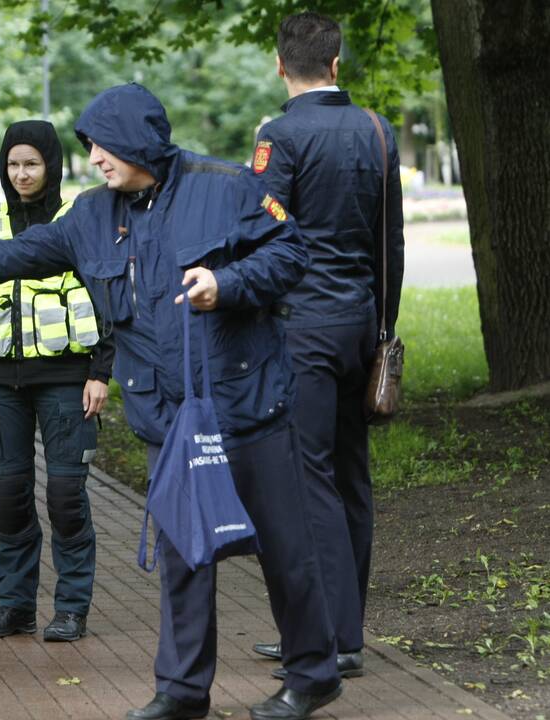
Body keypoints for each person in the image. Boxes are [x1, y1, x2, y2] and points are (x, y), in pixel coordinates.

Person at [0, 84, 342, 720]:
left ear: (140, 140)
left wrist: (226, 283)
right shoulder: (92, 214)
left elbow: (291, 253)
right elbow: (15, 253)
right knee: (183, 554)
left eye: (102, 144)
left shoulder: (225, 185)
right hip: (168, 416)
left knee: (283, 547)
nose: (92, 158)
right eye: (89, 146)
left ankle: (313, 674)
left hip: (245, 402)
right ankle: (181, 692)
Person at [248, 12, 404, 679]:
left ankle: (327, 640)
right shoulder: (377, 130)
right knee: (352, 477)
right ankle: (344, 631)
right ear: (337, 65)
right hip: (360, 325)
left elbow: (260, 227)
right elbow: (389, 240)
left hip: (301, 330)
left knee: (307, 482)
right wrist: (383, 332)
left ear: (280, 67)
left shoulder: (277, 138)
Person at [0, 120, 114, 642]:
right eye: (13, 164)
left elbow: (106, 297)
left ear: (52, 165)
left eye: (32, 164)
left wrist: (100, 371)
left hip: (67, 378)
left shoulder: (79, 219)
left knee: (66, 497)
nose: (21, 174)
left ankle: (71, 608)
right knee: (10, 496)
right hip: (0, 381)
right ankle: (16, 606)